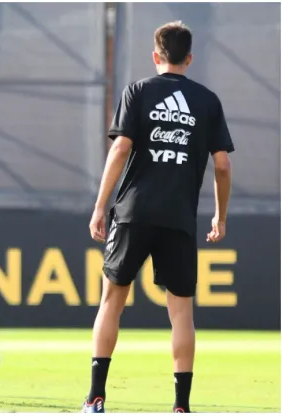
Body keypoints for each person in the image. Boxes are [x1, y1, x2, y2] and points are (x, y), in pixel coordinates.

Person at [82, 21, 234, 413]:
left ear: (156, 56)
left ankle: (96, 398)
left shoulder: (138, 91)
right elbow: (222, 166)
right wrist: (220, 215)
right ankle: (181, 406)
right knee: (181, 311)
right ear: (189, 58)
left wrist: (100, 207)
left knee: (111, 301)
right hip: (179, 219)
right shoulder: (207, 101)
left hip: (133, 212)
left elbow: (119, 151)